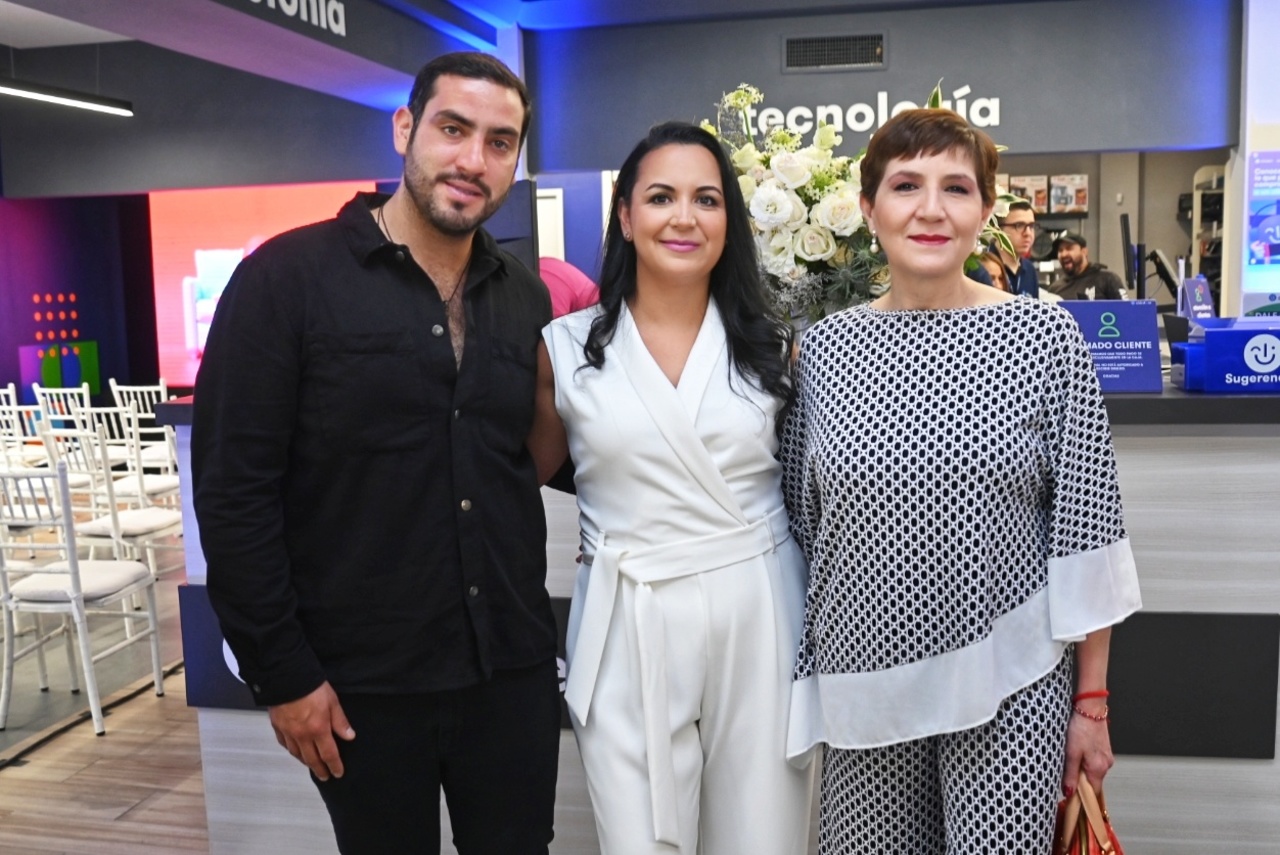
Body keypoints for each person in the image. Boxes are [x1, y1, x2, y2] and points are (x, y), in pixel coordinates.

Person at [191, 52, 561, 855]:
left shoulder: (524, 295)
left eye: (499, 142)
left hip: (509, 667)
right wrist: (283, 673)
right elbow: (233, 492)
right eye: (453, 129)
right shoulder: (284, 280)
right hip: (362, 686)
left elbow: (527, 459)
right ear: (405, 128)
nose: (473, 160)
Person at [781, 108, 1142, 854]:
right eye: (906, 185)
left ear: (985, 211)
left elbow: (1087, 529)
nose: (931, 209)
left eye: (956, 187)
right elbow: (802, 526)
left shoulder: (1045, 337)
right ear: (869, 207)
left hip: (1010, 683)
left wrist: (1092, 704)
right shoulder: (823, 350)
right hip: (866, 685)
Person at [526, 121, 814, 855]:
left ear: (730, 220)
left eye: (706, 200)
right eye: (661, 197)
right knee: (637, 840)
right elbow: (521, 478)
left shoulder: (774, 345)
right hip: (626, 610)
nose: (684, 217)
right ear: (625, 216)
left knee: (763, 837)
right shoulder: (565, 348)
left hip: (760, 609)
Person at [1051, 232, 1128, 300]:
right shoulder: (1055, 289)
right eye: (1060, 250)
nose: (1064, 254)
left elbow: (1126, 309)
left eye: (1069, 248)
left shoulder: (1107, 279)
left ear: (1084, 251)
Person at [995, 200, 1042, 298]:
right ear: (998, 230)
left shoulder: (1029, 270)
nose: (1028, 233)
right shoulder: (983, 266)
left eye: (1031, 226)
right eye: (1019, 225)